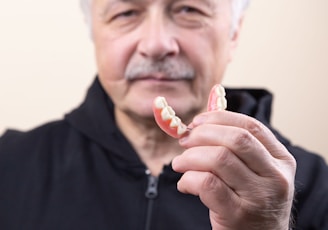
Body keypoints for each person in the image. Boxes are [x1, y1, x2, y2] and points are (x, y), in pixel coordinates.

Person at [0, 0, 327, 229]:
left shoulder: (315, 187)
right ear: (93, 33)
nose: (156, 44)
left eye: (189, 9)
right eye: (126, 12)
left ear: (234, 33)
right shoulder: (9, 165)